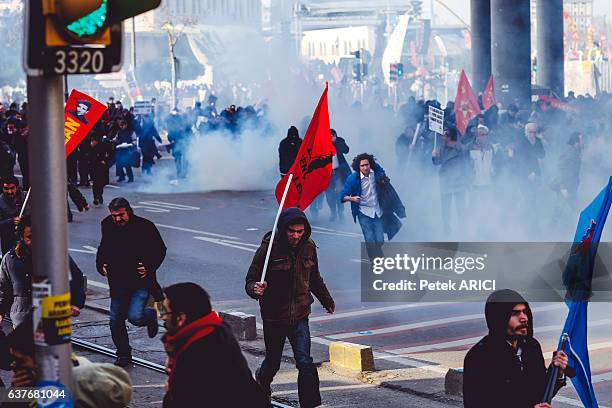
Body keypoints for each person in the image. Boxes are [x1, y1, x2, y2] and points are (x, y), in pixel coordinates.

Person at [246, 208, 335, 408]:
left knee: (305, 362)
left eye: (300, 231)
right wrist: (255, 288)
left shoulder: (309, 246)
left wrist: (326, 300)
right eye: (292, 231)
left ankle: (310, 404)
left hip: (300, 315)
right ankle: (261, 380)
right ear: (284, 230)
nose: (296, 236)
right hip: (274, 317)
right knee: (273, 362)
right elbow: (250, 280)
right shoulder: (269, 249)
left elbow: (314, 278)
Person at [161, 282, 270, 408]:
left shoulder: (198, 352)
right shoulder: (214, 330)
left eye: (166, 312)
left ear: (181, 318)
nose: (163, 317)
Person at [463, 289, 572, 408]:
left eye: (525, 311)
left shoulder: (531, 347)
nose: (524, 318)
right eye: (515, 313)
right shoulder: (480, 356)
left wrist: (557, 372)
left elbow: (540, 393)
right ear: (499, 318)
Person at [96, 197, 166, 366]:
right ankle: (124, 354)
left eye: (121, 215)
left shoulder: (145, 226)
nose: (117, 219)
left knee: (135, 317)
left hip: (139, 282)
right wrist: (101, 264)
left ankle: (151, 315)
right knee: (115, 320)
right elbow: (103, 246)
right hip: (117, 282)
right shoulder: (107, 224)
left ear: (128, 211)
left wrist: (148, 266)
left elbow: (160, 249)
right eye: (114, 216)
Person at [0, 216, 86, 327]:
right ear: (21, 237)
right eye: (30, 237)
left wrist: (75, 303)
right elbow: (3, 288)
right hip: (22, 322)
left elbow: (76, 279)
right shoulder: (10, 259)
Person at [432, 128, 468, 233]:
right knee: (445, 209)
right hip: (445, 182)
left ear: (450, 136)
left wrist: (466, 180)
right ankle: (447, 229)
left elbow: (466, 165)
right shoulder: (442, 149)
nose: (442, 137)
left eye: (444, 135)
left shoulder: (461, 148)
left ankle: (462, 229)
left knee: (460, 208)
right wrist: (434, 156)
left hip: (459, 182)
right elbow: (437, 162)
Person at [325, 129, 350, 222]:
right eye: (328, 136)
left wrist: (336, 142)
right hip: (327, 173)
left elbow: (346, 150)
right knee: (329, 193)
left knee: (340, 192)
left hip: (338, 171)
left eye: (332, 136)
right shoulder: (323, 143)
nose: (330, 138)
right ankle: (333, 212)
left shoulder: (339, 141)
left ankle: (341, 211)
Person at [0, 176, 29, 256]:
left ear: (17, 187)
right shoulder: (0, 202)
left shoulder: (26, 197)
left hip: (26, 239)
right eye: (6, 188)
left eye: (12, 188)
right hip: (8, 241)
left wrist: (24, 219)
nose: (9, 191)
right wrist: (11, 221)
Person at [86, 133, 113, 205]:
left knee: (101, 183)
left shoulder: (104, 146)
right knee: (95, 183)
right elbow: (87, 156)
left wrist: (105, 161)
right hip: (93, 167)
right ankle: (96, 197)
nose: (92, 142)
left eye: (94, 141)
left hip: (102, 168)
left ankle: (99, 195)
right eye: (91, 141)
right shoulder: (90, 147)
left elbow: (110, 153)